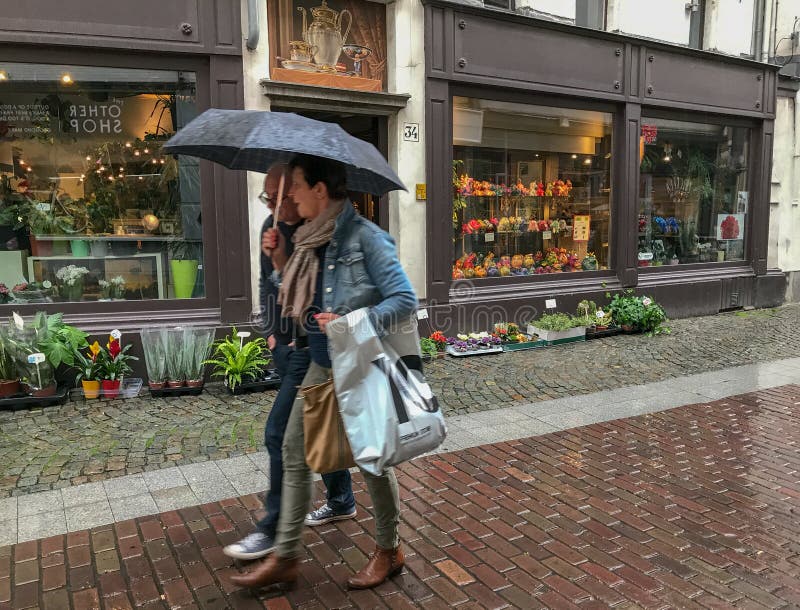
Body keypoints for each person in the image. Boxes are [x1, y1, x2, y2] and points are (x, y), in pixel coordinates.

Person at [231, 155, 417, 590]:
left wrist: (352, 322)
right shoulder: (315, 240)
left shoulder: (367, 238)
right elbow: (301, 299)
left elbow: (405, 301)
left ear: (319, 190)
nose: (289, 196)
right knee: (294, 453)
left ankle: (389, 549)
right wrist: (278, 262)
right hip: (320, 360)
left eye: (295, 186)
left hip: (360, 363)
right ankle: (286, 557)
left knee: (372, 459)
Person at [223, 165, 356, 561]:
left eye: (280, 196)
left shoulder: (326, 234)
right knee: (316, 427)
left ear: (304, 192)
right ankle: (342, 498)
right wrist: (272, 333)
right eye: (268, 197)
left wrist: (283, 262)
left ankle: (273, 531)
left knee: (280, 434)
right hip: (290, 348)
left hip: (316, 351)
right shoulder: (272, 226)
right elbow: (269, 286)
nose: (274, 205)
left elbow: (324, 298)